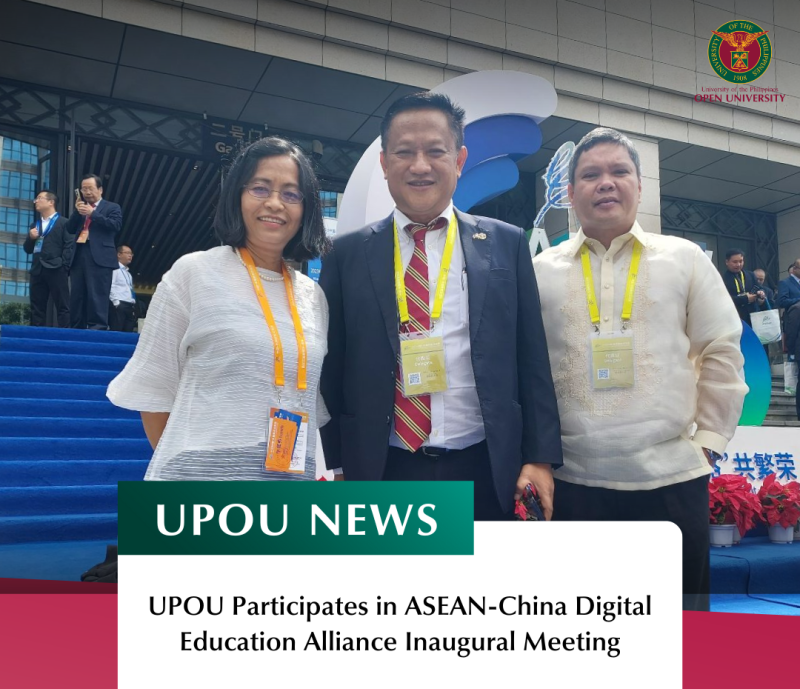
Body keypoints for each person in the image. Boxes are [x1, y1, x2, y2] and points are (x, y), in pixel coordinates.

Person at [320, 92, 562, 521]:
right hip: (383, 469)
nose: (419, 165)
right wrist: (337, 463)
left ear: (460, 159)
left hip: (487, 467)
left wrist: (540, 457)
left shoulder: (505, 243)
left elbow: (532, 359)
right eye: (404, 152)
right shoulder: (346, 254)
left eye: (435, 151)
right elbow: (333, 368)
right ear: (383, 162)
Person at [533, 127, 747, 611]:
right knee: (581, 629)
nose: (605, 183)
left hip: (670, 483)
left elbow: (721, 349)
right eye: (590, 175)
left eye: (618, 172)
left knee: (678, 633)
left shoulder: (684, 259)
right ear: (569, 193)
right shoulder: (541, 270)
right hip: (573, 487)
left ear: (639, 185)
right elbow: (527, 370)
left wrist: (709, 443)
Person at [107, 137, 330, 480]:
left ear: (306, 209)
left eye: (291, 193)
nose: (275, 203)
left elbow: (310, 405)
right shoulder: (194, 272)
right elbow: (153, 391)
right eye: (260, 188)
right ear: (237, 196)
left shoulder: (313, 296)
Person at [66, 174, 123, 330]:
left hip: (100, 257)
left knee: (97, 293)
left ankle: (97, 327)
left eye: (90, 188)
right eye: (84, 189)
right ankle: (76, 327)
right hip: (79, 254)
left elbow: (115, 225)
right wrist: (78, 212)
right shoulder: (81, 208)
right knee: (77, 294)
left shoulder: (112, 207)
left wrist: (93, 214)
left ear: (100, 190)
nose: (87, 192)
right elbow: (70, 229)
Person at [24, 190, 73, 327]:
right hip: (37, 269)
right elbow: (28, 249)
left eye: (39, 198)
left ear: (51, 202)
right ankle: (35, 337)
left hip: (56, 267)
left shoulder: (64, 222)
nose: (36, 201)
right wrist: (30, 238)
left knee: (62, 304)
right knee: (37, 306)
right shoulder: (35, 225)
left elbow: (69, 245)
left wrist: (64, 266)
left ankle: (65, 335)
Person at [721, 248, 764, 325]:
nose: (738, 265)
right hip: (734, 318)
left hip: (753, 317)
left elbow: (759, 288)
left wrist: (760, 293)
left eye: (741, 261)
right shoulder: (722, 279)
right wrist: (745, 299)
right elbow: (724, 300)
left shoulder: (750, 275)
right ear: (727, 262)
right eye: (735, 262)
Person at [109, 244, 138, 332]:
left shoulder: (128, 273)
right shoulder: (114, 269)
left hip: (130, 305)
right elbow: (111, 285)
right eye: (127, 253)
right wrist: (116, 302)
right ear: (119, 254)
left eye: (131, 254)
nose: (130, 255)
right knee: (117, 332)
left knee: (128, 332)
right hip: (120, 304)